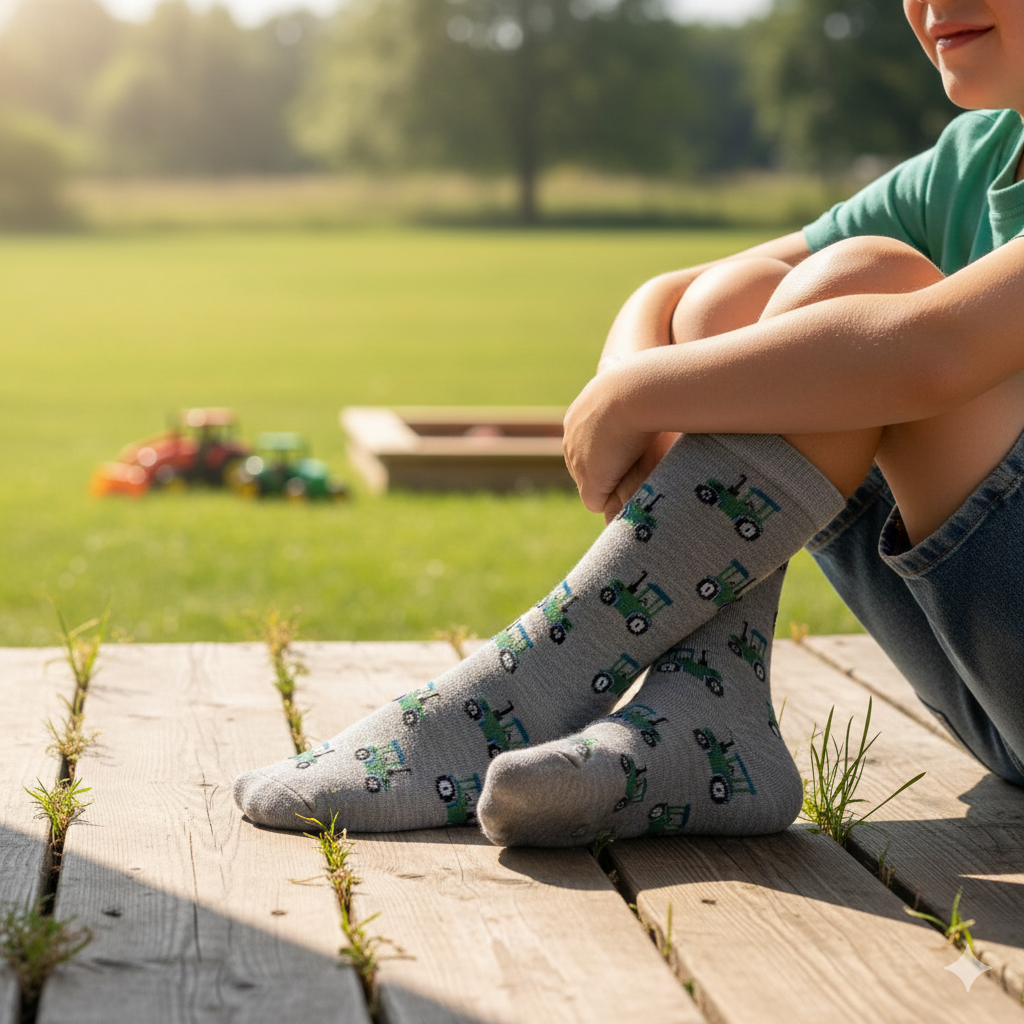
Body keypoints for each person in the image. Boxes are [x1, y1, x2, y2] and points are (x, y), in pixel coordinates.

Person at [235, 0, 1024, 846]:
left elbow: (927, 355)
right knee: (739, 303)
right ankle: (709, 709)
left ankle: (520, 687)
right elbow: (680, 296)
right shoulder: (976, 158)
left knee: (864, 288)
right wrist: (634, 379)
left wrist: (639, 400)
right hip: (990, 690)